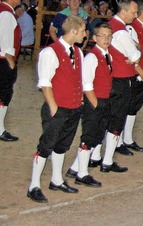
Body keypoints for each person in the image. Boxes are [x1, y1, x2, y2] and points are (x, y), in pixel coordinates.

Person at [27, 15, 86, 203]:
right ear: (74, 31)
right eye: (83, 31)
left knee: (62, 145)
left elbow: (78, 78)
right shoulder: (50, 52)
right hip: (58, 108)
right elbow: (45, 82)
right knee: (46, 145)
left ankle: (57, 179)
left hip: (73, 106)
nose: (85, 35)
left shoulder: (78, 52)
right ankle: (34, 185)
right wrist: (53, 106)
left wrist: (80, 99)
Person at [65, 22, 114, 188]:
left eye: (109, 36)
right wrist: (95, 104)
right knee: (89, 136)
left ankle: (75, 168)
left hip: (104, 100)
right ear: (94, 38)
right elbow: (87, 83)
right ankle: (82, 174)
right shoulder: (92, 57)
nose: (106, 39)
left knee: (97, 135)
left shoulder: (108, 55)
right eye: (102, 36)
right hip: (95, 101)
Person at [101, 0, 142, 171]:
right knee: (116, 120)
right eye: (133, 12)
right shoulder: (122, 32)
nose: (135, 15)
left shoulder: (109, 26)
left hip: (108, 78)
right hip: (121, 79)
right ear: (123, 11)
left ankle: (97, 156)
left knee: (105, 118)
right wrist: (136, 54)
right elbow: (135, 55)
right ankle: (108, 160)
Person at [120, 0, 143, 154]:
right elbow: (128, 53)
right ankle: (120, 140)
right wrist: (139, 70)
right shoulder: (131, 28)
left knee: (134, 107)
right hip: (134, 73)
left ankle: (127, 138)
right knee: (126, 106)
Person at [0, 0, 22, 142]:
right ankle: (0, 129)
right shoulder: (6, 13)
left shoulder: (5, 11)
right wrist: (10, 60)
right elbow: (5, 38)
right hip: (3, 59)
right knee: (4, 94)